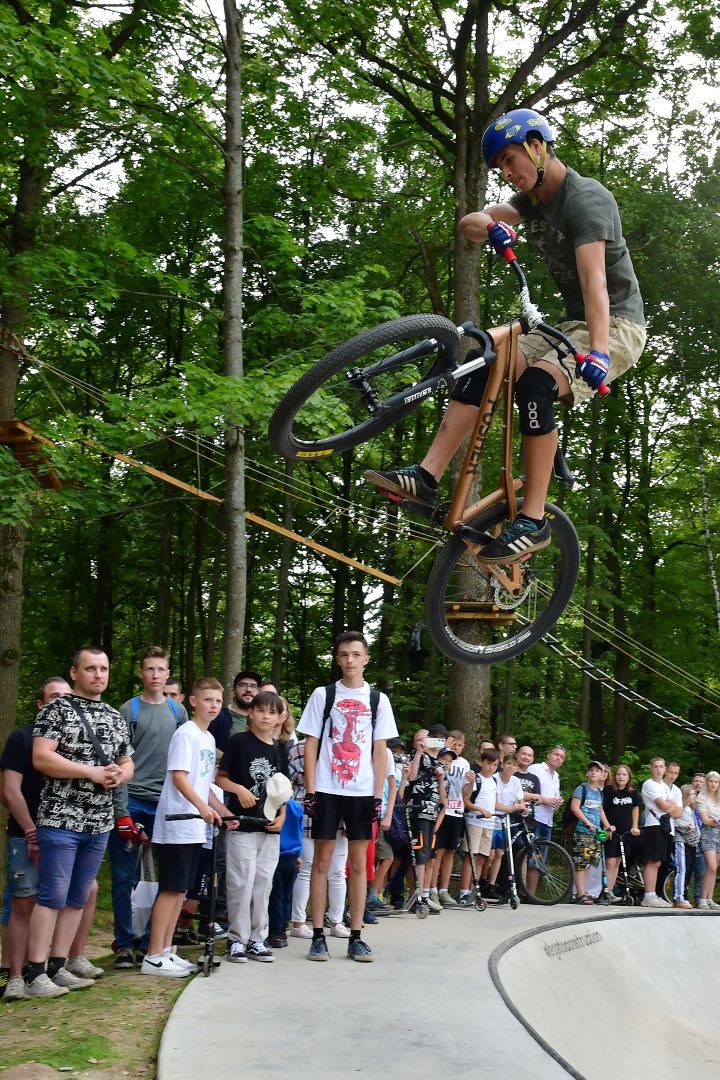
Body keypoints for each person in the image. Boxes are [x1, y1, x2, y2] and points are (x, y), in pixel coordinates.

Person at [365, 108, 645, 564]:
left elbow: (595, 283)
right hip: (572, 323)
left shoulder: (585, 199)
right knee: (485, 359)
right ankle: (426, 477)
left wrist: (597, 352)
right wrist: (492, 227)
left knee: (536, 384)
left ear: (537, 146)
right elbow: (469, 223)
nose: (507, 173)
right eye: (499, 167)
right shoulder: (532, 201)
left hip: (616, 326)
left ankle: (533, 521)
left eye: (510, 160)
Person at [24, 648, 134, 998]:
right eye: (91, 668)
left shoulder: (114, 715)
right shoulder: (57, 709)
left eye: (103, 668)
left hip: (99, 822)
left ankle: (59, 967)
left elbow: (127, 762)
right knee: (53, 895)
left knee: (78, 896)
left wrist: (118, 775)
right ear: (74, 672)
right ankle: (35, 973)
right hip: (61, 817)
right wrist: (91, 772)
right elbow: (42, 757)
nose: (98, 675)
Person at [0, 677, 104, 1001]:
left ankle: (67, 961)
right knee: (24, 900)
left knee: (84, 890)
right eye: (54, 697)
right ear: (40, 705)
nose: (62, 702)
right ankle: (16, 975)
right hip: (26, 832)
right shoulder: (22, 738)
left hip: (66, 831)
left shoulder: (79, 737)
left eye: (66, 697)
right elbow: (9, 790)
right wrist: (31, 830)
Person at [297, 631, 398, 963]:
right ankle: (317, 935)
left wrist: (377, 795)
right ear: (337, 659)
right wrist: (311, 789)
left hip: (361, 791)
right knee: (321, 862)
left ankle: (356, 936)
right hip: (327, 788)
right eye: (344, 654)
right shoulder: (323, 695)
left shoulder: (378, 700)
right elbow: (311, 743)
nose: (350, 660)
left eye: (356, 654)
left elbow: (380, 750)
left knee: (357, 864)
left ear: (366, 659)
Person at [141, 677, 235, 977]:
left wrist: (223, 812)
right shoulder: (186, 734)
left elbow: (203, 785)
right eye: (208, 700)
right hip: (177, 823)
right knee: (170, 889)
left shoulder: (208, 739)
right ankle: (153, 955)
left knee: (181, 891)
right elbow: (179, 777)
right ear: (193, 701)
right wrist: (201, 808)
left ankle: (167, 950)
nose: (214, 706)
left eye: (218, 701)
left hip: (196, 827)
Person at [110, 646, 188, 970]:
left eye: (161, 669)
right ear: (141, 673)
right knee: (124, 876)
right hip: (132, 800)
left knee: (167, 876)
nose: (155, 675)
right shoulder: (128, 710)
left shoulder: (177, 711)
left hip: (166, 804)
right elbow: (117, 761)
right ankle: (123, 943)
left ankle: (150, 943)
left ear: (168, 674)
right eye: (149, 669)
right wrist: (121, 811)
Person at [217, 691, 290, 963]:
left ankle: (258, 939)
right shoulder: (238, 742)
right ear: (251, 712)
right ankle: (237, 939)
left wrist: (282, 817)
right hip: (242, 824)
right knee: (240, 883)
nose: (265, 717)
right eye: (261, 710)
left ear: (279, 717)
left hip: (269, 829)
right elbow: (220, 777)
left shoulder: (280, 749)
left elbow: (284, 790)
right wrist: (238, 790)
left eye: (272, 712)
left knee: (263, 885)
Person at [287, 738, 350, 941]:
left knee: (337, 871)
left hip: (339, 815)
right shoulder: (299, 748)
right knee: (307, 868)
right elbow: (287, 782)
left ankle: (336, 920)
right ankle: (298, 922)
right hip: (307, 813)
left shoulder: (344, 747)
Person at [402, 728, 447, 913]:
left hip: (432, 814)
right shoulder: (415, 756)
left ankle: (424, 896)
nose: (424, 741)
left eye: (427, 738)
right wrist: (420, 752)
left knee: (429, 856)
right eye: (420, 739)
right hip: (418, 812)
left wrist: (441, 779)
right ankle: (417, 897)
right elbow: (411, 777)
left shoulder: (439, 763)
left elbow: (444, 799)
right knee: (420, 855)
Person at [431, 730, 470, 907]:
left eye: (460, 745)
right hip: (442, 811)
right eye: (455, 744)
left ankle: (444, 890)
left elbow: (466, 792)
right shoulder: (442, 758)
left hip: (457, 810)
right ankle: (432, 889)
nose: (457, 748)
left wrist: (472, 782)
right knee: (437, 851)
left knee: (449, 851)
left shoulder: (465, 764)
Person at [458, 747, 499, 904]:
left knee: (482, 858)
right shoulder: (476, 779)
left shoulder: (494, 781)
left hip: (489, 823)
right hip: (475, 822)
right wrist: (480, 810)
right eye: (489, 763)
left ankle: (473, 891)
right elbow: (466, 800)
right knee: (471, 857)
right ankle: (463, 892)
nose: (491, 767)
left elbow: (495, 803)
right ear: (482, 762)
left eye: (495, 765)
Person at [570, 761, 614, 905]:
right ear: (587, 773)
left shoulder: (599, 792)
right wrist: (588, 823)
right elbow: (575, 808)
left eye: (597, 770)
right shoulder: (581, 789)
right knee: (581, 863)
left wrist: (607, 825)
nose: (594, 772)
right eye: (591, 770)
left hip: (595, 834)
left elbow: (600, 810)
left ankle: (584, 891)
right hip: (583, 832)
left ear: (602, 775)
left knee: (589, 863)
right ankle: (580, 894)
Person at [641, 757, 682, 908]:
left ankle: (653, 893)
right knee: (652, 860)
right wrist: (670, 807)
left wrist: (670, 807)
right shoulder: (648, 784)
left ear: (664, 768)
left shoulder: (664, 786)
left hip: (664, 826)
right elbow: (664, 805)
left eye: (661, 767)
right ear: (651, 768)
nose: (658, 769)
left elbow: (678, 810)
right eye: (656, 766)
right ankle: (648, 895)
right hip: (653, 825)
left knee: (658, 862)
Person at [526, 745, 565, 896]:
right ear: (549, 755)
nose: (558, 758)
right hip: (533, 818)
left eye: (561, 757)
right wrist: (545, 800)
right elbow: (524, 790)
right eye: (556, 754)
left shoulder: (556, 777)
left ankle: (531, 894)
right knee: (528, 856)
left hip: (547, 821)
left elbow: (553, 799)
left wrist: (557, 802)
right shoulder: (536, 768)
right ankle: (522, 892)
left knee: (539, 858)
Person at [267, 792, 304, 949]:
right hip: (292, 856)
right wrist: (298, 854)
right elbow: (300, 830)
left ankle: (274, 932)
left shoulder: (272, 807)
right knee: (287, 895)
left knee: (276, 895)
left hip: (277, 854)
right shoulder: (296, 807)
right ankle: (283, 929)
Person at [486, 753, 526, 894]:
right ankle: (482, 880)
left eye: (514, 765)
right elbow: (495, 804)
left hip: (504, 822)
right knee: (489, 855)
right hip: (491, 820)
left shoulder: (515, 781)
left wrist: (523, 808)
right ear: (502, 765)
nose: (511, 767)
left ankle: (491, 885)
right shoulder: (494, 779)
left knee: (500, 853)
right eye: (508, 763)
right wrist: (513, 808)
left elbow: (521, 800)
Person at [602, 765, 642, 899]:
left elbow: (635, 808)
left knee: (618, 861)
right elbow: (602, 809)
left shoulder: (632, 792)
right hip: (612, 831)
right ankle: (605, 891)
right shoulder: (609, 790)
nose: (621, 777)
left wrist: (635, 826)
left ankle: (610, 891)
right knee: (610, 861)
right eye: (618, 774)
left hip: (625, 833)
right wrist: (607, 826)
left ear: (629, 777)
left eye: (624, 774)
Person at [209, 670, 263, 759]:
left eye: (253, 686)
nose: (248, 689)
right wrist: (226, 760)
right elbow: (205, 744)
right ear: (233, 692)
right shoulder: (219, 716)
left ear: (258, 692)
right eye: (242, 685)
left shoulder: (263, 720)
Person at [671, 784, 700, 909]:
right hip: (681, 841)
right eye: (691, 794)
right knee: (682, 869)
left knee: (688, 869)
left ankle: (685, 895)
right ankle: (678, 897)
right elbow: (674, 821)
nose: (694, 796)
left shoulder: (692, 810)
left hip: (691, 843)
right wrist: (685, 824)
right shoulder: (680, 809)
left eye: (694, 794)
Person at [696, 770, 720, 910]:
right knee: (711, 866)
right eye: (711, 781)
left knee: (715, 868)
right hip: (708, 833)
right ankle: (702, 899)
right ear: (707, 782)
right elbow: (705, 819)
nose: (713, 784)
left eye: (716, 782)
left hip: (719, 833)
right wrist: (715, 821)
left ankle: (709, 898)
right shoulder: (702, 797)